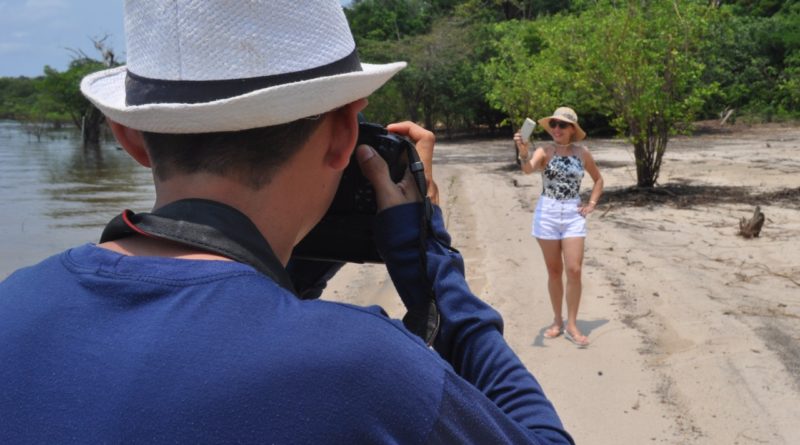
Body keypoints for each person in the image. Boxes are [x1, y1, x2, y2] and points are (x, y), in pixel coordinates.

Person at [0, 1, 573, 443]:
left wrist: (297, 262)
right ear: (346, 135)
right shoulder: (364, 369)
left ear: (130, 138)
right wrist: (430, 268)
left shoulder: (15, 303)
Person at [513, 107, 604, 347]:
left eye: (562, 125)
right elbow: (527, 169)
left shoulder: (582, 153)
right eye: (553, 124)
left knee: (574, 270)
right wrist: (523, 152)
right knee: (554, 271)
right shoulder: (545, 150)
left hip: (573, 215)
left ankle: (572, 324)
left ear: (572, 129)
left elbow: (598, 179)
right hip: (548, 214)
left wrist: (592, 203)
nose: (556, 129)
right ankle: (557, 321)